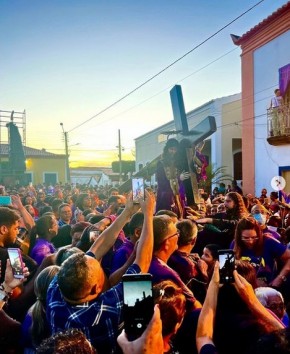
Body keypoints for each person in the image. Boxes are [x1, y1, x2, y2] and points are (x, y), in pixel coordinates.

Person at [46, 191, 155, 354]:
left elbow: (97, 247)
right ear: (95, 289)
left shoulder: (55, 290)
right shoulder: (103, 310)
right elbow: (143, 262)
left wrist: (127, 213)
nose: (94, 257)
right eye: (100, 273)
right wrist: (148, 214)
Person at [232, 217, 290, 288]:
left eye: (254, 237)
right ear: (239, 236)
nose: (250, 241)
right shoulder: (235, 244)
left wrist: (280, 278)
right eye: (246, 238)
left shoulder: (268, 242)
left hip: (267, 287)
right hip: (244, 287)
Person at [155, 138, 189, 219]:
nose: (173, 152)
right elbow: (161, 182)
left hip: (177, 196)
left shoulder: (179, 163)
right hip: (165, 197)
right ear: (167, 149)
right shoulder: (161, 163)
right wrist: (178, 178)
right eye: (171, 149)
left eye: (175, 150)